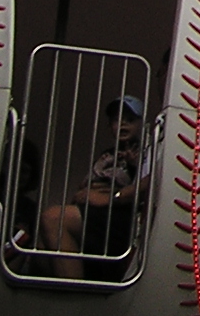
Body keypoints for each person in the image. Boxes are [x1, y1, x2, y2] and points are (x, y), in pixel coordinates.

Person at [39, 95, 148, 279]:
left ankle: (72, 298)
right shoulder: (107, 154)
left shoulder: (143, 151)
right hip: (93, 208)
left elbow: (142, 185)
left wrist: (114, 194)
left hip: (117, 216)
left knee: (53, 218)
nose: (122, 124)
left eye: (130, 120)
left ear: (141, 124)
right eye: (116, 120)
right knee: (41, 243)